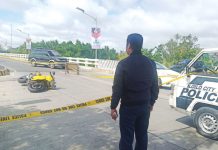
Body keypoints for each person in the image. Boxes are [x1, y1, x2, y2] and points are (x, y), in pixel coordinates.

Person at [110, 33, 159, 150]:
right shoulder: (151, 63)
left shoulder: (123, 64)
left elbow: (117, 88)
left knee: (127, 139)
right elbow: (155, 87)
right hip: (144, 108)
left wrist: (113, 107)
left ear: (129, 45)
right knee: (142, 137)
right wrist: (151, 102)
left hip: (128, 109)